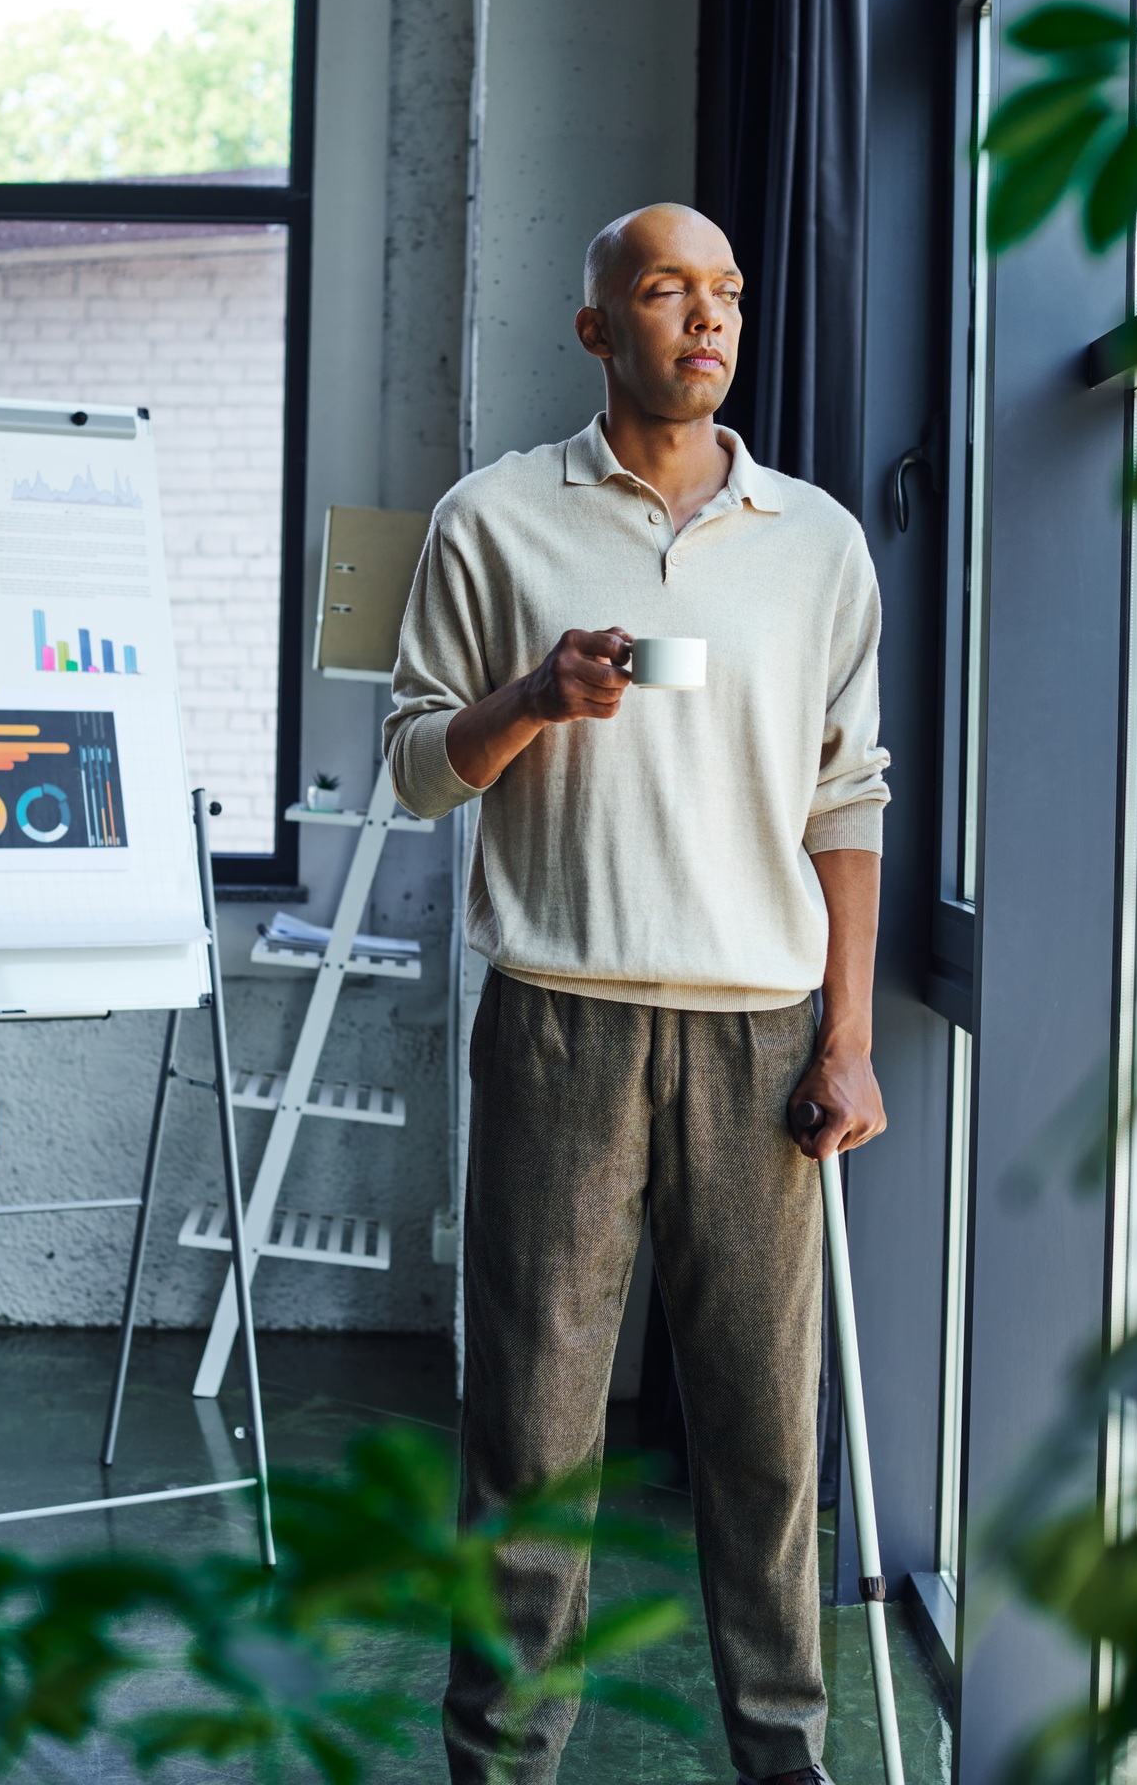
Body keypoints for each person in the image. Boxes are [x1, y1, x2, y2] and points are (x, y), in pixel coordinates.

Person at [384, 202, 890, 1785]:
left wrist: (851, 1041)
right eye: (666, 290)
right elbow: (411, 771)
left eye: (725, 292)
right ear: (598, 326)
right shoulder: (493, 519)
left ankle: (783, 1753)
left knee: (760, 1435)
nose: (706, 317)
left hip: (760, 1032)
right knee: (532, 1438)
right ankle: (502, 1758)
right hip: (559, 1020)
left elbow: (846, 801)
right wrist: (536, 697)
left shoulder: (813, 540)